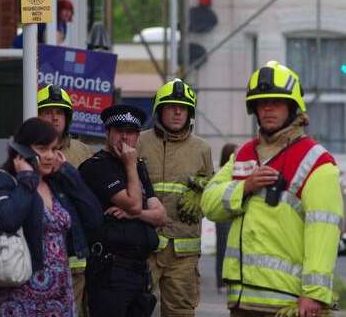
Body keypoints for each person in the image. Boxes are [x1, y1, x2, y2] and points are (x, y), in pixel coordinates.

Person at [201, 61, 344, 317]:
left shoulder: (316, 161)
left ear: (292, 106)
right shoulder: (243, 154)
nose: (267, 108)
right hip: (241, 301)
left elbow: (323, 231)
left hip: (288, 303)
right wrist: (245, 186)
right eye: (261, 102)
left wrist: (313, 294)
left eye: (276, 102)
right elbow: (209, 203)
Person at [0, 117, 102, 316]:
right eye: (42, 149)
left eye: (54, 149)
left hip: (59, 294)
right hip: (17, 296)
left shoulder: (56, 183)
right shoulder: (4, 181)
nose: (49, 156)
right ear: (22, 150)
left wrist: (68, 174)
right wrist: (27, 181)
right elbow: (7, 220)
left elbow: (94, 220)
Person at [79, 104, 167, 317]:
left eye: (130, 133)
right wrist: (130, 166)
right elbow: (135, 203)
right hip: (110, 271)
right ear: (107, 133)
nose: (124, 138)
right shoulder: (97, 166)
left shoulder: (138, 166)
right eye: (119, 131)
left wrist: (136, 214)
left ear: (137, 136)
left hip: (139, 270)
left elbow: (160, 216)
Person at [138, 78, 214, 317]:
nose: (178, 111)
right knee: (137, 307)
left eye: (183, 107)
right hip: (145, 246)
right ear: (159, 110)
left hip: (184, 253)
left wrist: (202, 194)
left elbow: (211, 197)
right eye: (171, 106)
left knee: (180, 311)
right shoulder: (140, 142)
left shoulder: (202, 149)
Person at [37, 84, 94, 315]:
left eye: (59, 112)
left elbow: (91, 201)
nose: (54, 117)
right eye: (48, 111)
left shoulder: (84, 152)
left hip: (78, 255)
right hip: (41, 257)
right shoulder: (26, 149)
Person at [215, 143, 237, 294]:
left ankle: (229, 280)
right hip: (223, 215)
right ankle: (221, 282)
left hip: (232, 213)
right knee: (223, 247)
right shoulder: (223, 174)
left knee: (231, 248)